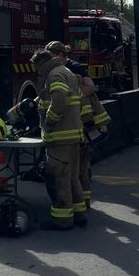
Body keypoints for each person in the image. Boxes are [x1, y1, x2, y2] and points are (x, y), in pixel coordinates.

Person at [46, 41, 111, 209]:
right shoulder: (65, 69)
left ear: (59, 55)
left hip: (85, 125)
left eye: (51, 56)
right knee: (80, 167)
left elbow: (90, 87)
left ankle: (82, 203)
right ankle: (83, 203)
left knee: (80, 167)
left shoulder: (72, 68)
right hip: (82, 124)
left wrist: (74, 94)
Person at [30, 47, 85, 230]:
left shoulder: (53, 75)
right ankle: (79, 214)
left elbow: (59, 100)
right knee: (72, 177)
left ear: (42, 64)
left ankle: (62, 219)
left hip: (61, 136)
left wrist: (49, 122)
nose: (38, 73)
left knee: (59, 178)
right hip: (74, 134)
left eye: (37, 68)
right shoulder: (66, 71)